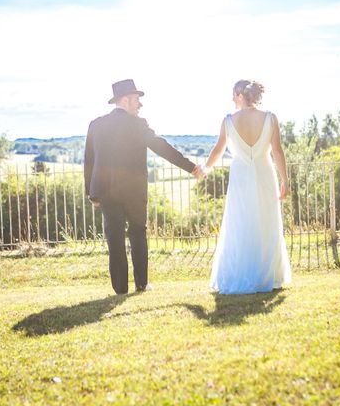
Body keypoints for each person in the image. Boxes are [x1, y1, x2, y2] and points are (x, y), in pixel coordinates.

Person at [84, 79, 204, 294]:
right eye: (137, 100)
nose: (140, 105)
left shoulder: (96, 124)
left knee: (115, 238)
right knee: (138, 233)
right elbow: (162, 147)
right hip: (134, 191)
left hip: (106, 191)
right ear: (125, 100)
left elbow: (89, 161)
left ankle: (120, 288)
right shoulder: (137, 125)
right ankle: (141, 284)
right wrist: (191, 168)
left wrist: (91, 193)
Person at [200, 80, 292, 294]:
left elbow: (217, 151)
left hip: (241, 175)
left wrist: (205, 168)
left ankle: (241, 272)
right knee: (265, 222)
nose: (232, 99)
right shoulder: (270, 118)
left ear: (240, 95)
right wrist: (285, 179)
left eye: (233, 95)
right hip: (264, 174)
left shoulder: (229, 121)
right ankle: (265, 275)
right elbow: (277, 151)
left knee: (240, 222)